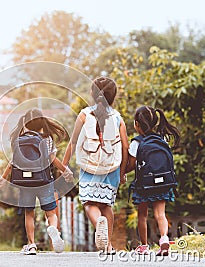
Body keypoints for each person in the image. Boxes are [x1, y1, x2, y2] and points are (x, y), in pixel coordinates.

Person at [0, 108, 73, 255]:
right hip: (44, 181)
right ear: (42, 122)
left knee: (29, 213)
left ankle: (31, 245)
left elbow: (12, 162)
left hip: (25, 183)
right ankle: (53, 229)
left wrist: (3, 178)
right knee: (51, 213)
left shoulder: (19, 140)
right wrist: (65, 171)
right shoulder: (47, 139)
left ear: (25, 123)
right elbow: (53, 160)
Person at [62, 76, 129, 254]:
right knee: (106, 205)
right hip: (111, 168)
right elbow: (125, 146)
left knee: (90, 203)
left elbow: (73, 142)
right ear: (113, 97)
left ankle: (99, 223)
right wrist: (122, 173)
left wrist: (64, 166)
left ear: (92, 94)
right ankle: (108, 245)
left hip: (89, 167)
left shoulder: (84, 115)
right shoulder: (118, 118)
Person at [125, 105, 180, 256]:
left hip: (144, 184)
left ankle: (144, 246)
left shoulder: (136, 143)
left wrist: (122, 172)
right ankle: (164, 238)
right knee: (160, 213)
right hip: (162, 183)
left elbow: (130, 165)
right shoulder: (161, 139)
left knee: (142, 215)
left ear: (137, 124)